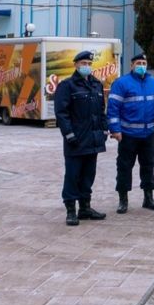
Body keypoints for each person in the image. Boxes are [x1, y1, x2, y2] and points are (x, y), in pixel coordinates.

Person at [107, 52, 154, 213]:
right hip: (127, 135)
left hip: (148, 134)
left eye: (144, 63)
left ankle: (148, 198)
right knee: (124, 167)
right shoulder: (121, 83)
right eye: (138, 63)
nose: (141, 66)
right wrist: (115, 130)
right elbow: (113, 108)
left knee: (149, 165)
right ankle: (123, 200)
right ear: (131, 65)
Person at [53, 50, 108, 226]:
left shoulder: (96, 85)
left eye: (89, 64)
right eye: (83, 63)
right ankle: (71, 210)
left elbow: (101, 112)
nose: (87, 66)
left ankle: (85, 208)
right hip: (75, 141)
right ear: (76, 65)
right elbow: (62, 113)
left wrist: (104, 130)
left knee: (88, 176)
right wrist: (69, 134)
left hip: (93, 140)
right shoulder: (67, 86)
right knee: (73, 176)